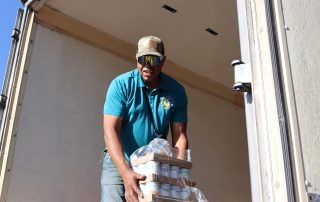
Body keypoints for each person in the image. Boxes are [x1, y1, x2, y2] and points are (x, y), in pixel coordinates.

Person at [101, 36, 188, 202]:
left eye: (153, 59)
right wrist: (125, 172)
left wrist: (178, 174)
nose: (147, 65)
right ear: (136, 58)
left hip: (153, 163)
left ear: (163, 61)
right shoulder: (121, 85)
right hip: (120, 160)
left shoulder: (176, 91)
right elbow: (110, 131)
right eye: (142, 59)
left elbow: (180, 136)